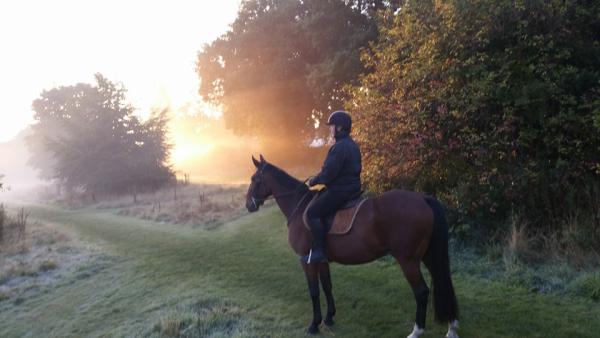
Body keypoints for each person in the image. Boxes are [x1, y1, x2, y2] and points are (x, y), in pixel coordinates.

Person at [302, 110, 362, 263]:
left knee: (312, 213)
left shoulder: (340, 147)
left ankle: (319, 251)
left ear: (340, 128)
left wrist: (314, 180)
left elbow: (328, 174)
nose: (330, 129)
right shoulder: (352, 145)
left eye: (332, 126)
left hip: (341, 191)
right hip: (353, 188)